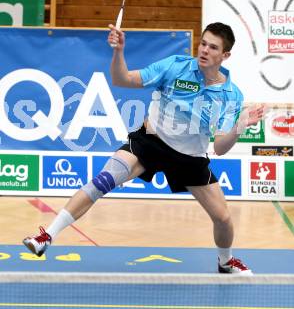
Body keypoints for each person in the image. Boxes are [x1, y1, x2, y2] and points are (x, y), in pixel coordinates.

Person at [23, 22, 265, 274]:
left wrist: (240, 125)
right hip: (150, 142)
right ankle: (46, 237)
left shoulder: (230, 95)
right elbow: (122, 79)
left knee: (223, 218)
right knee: (103, 180)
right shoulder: (175, 66)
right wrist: (118, 52)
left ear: (225, 55)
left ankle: (225, 261)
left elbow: (220, 147)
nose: (204, 50)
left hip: (189, 157)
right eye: (203, 43)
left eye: (213, 47)